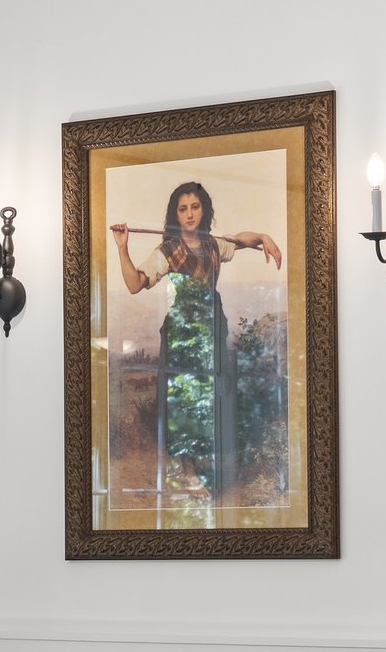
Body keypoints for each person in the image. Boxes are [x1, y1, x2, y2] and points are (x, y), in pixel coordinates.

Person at [109, 182, 282, 500]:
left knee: (212, 399)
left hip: (213, 329)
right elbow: (135, 284)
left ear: (205, 210)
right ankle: (188, 473)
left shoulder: (216, 245)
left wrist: (262, 237)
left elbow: (239, 241)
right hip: (183, 336)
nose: (189, 214)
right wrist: (122, 248)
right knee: (183, 404)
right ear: (175, 214)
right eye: (182, 208)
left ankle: (207, 468)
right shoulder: (167, 251)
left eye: (195, 206)